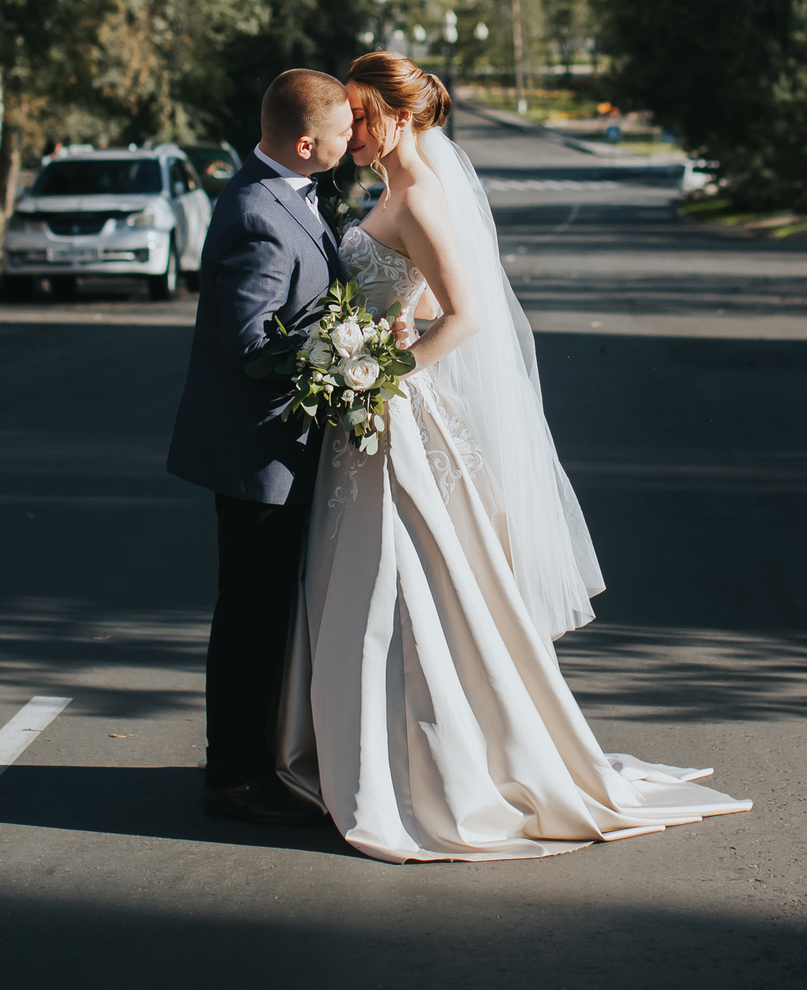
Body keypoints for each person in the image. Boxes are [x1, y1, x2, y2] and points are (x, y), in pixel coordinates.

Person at [275, 52, 749, 862]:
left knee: (408, 591)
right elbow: (408, 297)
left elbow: (463, 317)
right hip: (371, 418)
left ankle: (419, 761)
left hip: (396, 415)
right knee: (373, 589)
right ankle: (360, 745)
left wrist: (378, 375)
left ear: (394, 115)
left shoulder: (420, 195)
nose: (348, 128)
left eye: (359, 114)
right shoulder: (389, 192)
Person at [165, 69, 356, 825]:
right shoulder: (256, 211)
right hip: (260, 459)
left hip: (283, 451)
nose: (354, 140)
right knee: (250, 615)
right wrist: (346, 356)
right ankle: (234, 772)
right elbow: (249, 342)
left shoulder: (293, 192)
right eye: (343, 131)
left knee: (270, 610)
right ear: (307, 143)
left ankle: (257, 756)